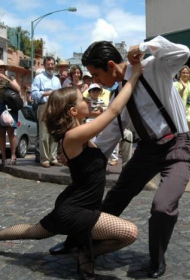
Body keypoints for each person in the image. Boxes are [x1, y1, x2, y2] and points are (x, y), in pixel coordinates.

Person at [49, 35, 190, 279]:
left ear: (110, 66)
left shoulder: (152, 66)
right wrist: (76, 158)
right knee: (115, 197)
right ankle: (79, 241)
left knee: (162, 207)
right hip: (147, 151)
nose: (96, 82)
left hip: (177, 147)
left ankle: (157, 260)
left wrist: (143, 47)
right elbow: (107, 140)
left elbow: (183, 52)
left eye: (96, 76)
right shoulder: (119, 97)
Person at [0, 60, 141, 279]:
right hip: (75, 209)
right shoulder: (74, 136)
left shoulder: (78, 132)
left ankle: (84, 251)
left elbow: (103, 112)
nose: (88, 99)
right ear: (74, 110)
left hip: (81, 204)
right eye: (83, 99)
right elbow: (113, 110)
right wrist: (134, 76)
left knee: (34, 231)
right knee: (129, 233)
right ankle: (85, 252)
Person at [31, 56, 62, 168]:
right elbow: (33, 94)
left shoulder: (57, 80)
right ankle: (44, 159)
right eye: (48, 64)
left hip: (55, 107)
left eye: (52, 64)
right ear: (44, 65)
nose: (50, 66)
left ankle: (53, 158)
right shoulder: (39, 78)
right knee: (44, 134)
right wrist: (47, 93)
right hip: (43, 105)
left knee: (54, 133)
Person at [174, 65, 190, 165]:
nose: (185, 74)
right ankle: (179, 157)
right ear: (180, 74)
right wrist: (183, 88)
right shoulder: (176, 84)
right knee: (180, 135)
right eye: (183, 72)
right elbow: (176, 97)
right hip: (180, 112)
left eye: (187, 73)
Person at [0, 60, 21, 166]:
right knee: (1, 134)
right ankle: (3, 157)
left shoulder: (10, 77)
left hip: (9, 107)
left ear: (4, 68)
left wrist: (5, 79)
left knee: (11, 132)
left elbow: (18, 88)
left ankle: (13, 156)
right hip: (0, 106)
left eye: (1, 67)